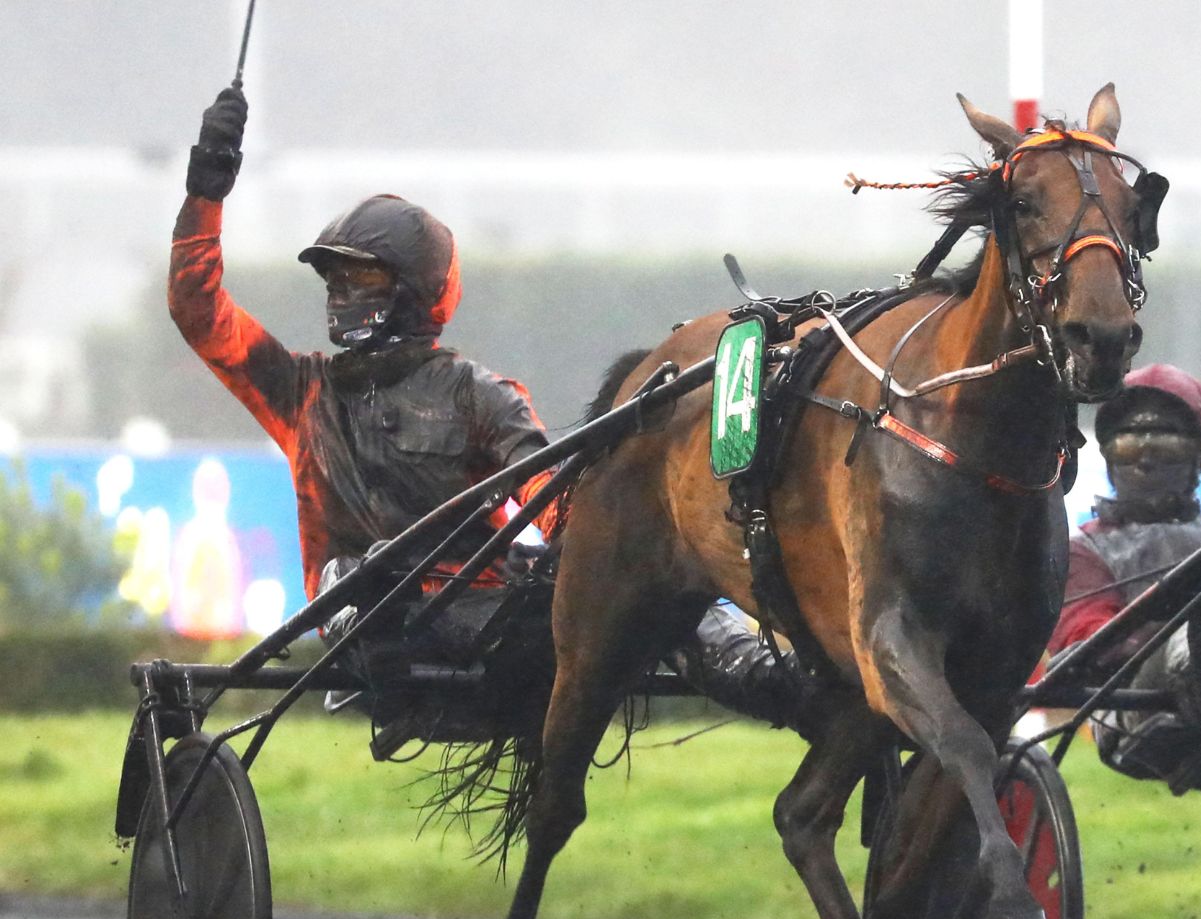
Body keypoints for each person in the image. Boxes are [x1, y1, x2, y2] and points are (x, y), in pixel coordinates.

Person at [169, 87, 818, 743]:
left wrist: (577, 549)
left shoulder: (478, 394)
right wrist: (206, 187)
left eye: (360, 279)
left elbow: (551, 502)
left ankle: (785, 683)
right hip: (374, 634)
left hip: (484, 623)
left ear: (412, 291)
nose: (340, 294)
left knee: (651, 570)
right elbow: (198, 310)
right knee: (361, 574)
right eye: (334, 280)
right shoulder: (297, 389)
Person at [1046, 363, 1201, 790]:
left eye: (1165, 447)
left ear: (1199, 457)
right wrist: (1179, 614)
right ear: (1110, 458)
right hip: (1131, 715)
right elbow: (1085, 641)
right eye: (1130, 446)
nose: (1147, 460)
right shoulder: (1082, 552)